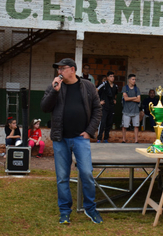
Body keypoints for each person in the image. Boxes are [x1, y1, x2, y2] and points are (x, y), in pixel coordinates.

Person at [41, 58, 103, 224]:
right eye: (58, 69)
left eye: (62, 68)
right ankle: (64, 211)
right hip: (60, 139)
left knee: (87, 173)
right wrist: (55, 91)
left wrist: (90, 131)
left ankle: (90, 208)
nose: (59, 72)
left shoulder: (87, 86)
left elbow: (97, 109)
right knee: (62, 177)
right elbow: (44, 107)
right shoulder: (54, 86)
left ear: (73, 70)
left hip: (80, 138)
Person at [97, 71, 118, 143]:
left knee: (109, 123)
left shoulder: (115, 86)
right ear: (107, 77)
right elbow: (95, 91)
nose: (112, 78)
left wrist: (114, 99)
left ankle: (106, 138)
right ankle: (99, 138)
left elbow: (115, 94)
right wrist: (99, 102)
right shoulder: (104, 85)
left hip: (111, 107)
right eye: (111, 76)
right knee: (102, 122)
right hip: (104, 107)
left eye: (113, 76)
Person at [121, 74, 141, 143]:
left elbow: (139, 100)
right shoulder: (125, 88)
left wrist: (130, 98)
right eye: (133, 79)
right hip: (126, 110)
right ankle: (123, 139)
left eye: (135, 79)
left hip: (135, 110)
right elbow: (125, 99)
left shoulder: (137, 89)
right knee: (124, 126)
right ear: (129, 80)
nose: (134, 81)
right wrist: (135, 97)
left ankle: (136, 140)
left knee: (136, 126)